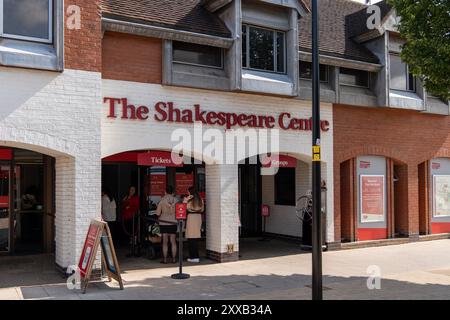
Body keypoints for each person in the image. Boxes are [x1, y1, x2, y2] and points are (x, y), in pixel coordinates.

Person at [155, 185, 178, 264]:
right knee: (173, 241)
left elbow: (157, 213)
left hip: (164, 222)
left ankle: (165, 259)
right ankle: (174, 259)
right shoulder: (176, 200)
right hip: (173, 222)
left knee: (165, 242)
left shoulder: (162, 200)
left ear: (165, 191)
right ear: (173, 192)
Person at [184, 186, 204, 263]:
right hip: (198, 217)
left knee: (191, 238)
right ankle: (196, 256)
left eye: (188, 192)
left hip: (191, 218)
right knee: (195, 238)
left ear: (190, 192)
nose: (187, 193)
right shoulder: (200, 199)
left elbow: (185, 207)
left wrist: (186, 200)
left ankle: (193, 257)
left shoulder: (190, 200)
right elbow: (202, 209)